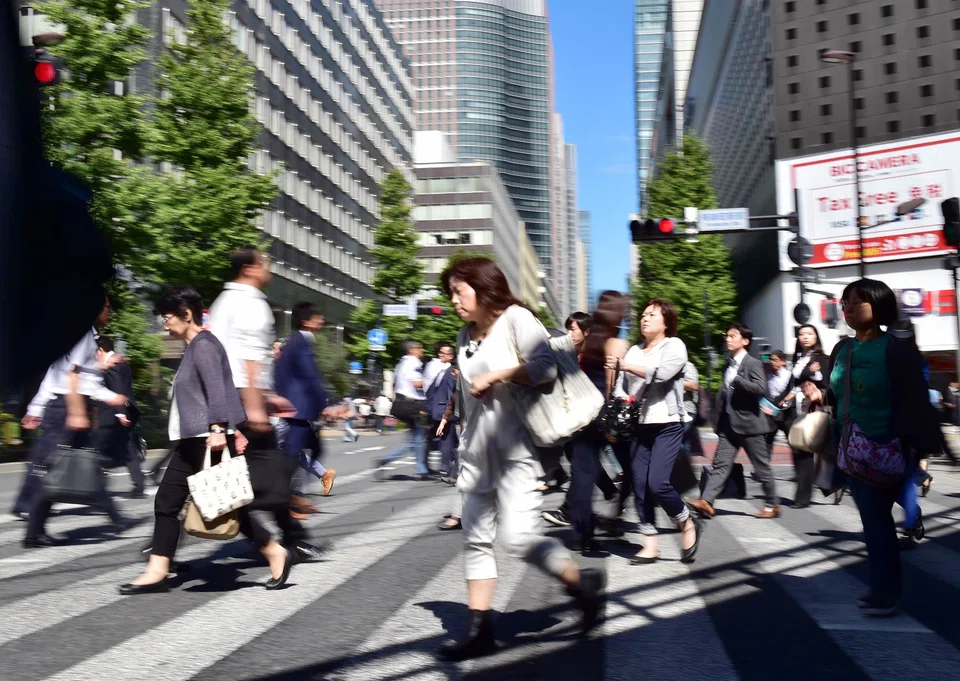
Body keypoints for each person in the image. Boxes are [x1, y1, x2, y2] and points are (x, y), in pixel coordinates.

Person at [436, 257, 604, 661]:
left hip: (516, 451)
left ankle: (581, 585)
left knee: (518, 538)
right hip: (477, 452)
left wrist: (497, 375)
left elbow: (545, 369)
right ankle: (479, 631)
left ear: (483, 287)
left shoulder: (517, 319)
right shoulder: (463, 335)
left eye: (459, 291)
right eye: (451, 293)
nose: (454, 300)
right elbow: (466, 397)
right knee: (476, 539)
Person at [120, 286, 292, 595]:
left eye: (167, 316)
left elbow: (216, 389)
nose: (164, 323)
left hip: (206, 439)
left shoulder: (204, 345)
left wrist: (219, 429)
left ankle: (273, 551)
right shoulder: (196, 346)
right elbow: (225, 389)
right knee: (189, 503)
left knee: (220, 504)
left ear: (186, 314)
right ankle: (158, 570)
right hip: (197, 439)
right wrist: (235, 428)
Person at [820, 279, 940, 616]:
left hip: (888, 445)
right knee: (874, 519)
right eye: (845, 302)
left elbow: (916, 399)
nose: (848, 308)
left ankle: (886, 593)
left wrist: (920, 448)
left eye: (856, 302)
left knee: (875, 519)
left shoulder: (896, 349)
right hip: (852, 448)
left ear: (878, 305)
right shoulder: (842, 349)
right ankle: (883, 589)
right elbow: (836, 393)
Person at [208, 247, 324, 562]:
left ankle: (291, 538)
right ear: (249, 268)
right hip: (244, 400)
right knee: (266, 473)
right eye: (265, 263)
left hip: (227, 396)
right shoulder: (252, 303)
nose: (268, 268)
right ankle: (289, 540)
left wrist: (267, 397)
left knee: (230, 472)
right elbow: (248, 359)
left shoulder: (222, 301)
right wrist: (257, 406)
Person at [21, 295, 132, 547]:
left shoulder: (84, 336)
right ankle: (33, 533)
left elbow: (69, 377)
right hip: (67, 409)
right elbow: (72, 376)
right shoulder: (82, 336)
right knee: (54, 468)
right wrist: (77, 412)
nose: (109, 311)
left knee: (80, 464)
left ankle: (113, 516)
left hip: (67, 407)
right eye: (106, 307)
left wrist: (110, 392)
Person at [616, 299, 702, 564]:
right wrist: (623, 397)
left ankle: (687, 522)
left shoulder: (674, 345)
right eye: (643, 314)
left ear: (666, 322)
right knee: (640, 485)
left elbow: (662, 374)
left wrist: (627, 367)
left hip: (667, 423)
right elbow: (621, 385)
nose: (645, 318)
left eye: (652, 315)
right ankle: (650, 544)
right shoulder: (634, 350)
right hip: (638, 425)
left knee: (658, 483)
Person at [687, 323, 780, 519]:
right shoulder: (728, 364)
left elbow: (760, 389)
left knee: (761, 466)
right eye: (727, 336)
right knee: (721, 465)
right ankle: (706, 501)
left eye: (733, 336)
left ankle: (772, 505)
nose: (728, 339)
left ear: (745, 341)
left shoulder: (752, 363)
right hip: (729, 425)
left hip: (750, 426)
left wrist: (738, 381)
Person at [274, 302, 336, 502]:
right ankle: (286, 496)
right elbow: (311, 377)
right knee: (293, 453)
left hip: (293, 409)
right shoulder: (301, 343)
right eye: (318, 317)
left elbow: (280, 376)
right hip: (299, 410)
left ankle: (291, 494)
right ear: (307, 322)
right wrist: (325, 406)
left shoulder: (294, 342)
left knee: (299, 451)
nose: (321, 321)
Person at [779, 325, 830, 508]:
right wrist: (785, 399)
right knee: (799, 450)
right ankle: (803, 494)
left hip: (813, 408)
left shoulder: (822, 359)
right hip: (797, 409)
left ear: (816, 337)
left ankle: (803, 496)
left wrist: (816, 376)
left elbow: (827, 382)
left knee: (806, 452)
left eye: (810, 334)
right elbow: (795, 384)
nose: (805, 337)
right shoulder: (799, 358)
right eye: (802, 334)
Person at [95, 336, 145, 498]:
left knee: (98, 447)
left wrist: (120, 412)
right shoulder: (120, 362)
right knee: (127, 448)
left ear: (100, 350)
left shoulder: (113, 364)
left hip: (113, 413)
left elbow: (117, 388)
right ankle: (139, 484)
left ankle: (96, 487)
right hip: (122, 411)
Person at [376, 341, 430, 479]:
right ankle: (420, 470)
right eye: (419, 348)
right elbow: (417, 383)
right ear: (412, 350)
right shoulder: (413, 362)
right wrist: (432, 380)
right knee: (418, 439)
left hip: (400, 403)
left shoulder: (401, 364)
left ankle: (387, 460)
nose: (422, 351)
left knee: (416, 439)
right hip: (411, 404)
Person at [425, 342, 458, 477]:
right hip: (438, 409)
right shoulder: (444, 370)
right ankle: (457, 465)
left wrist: (447, 413)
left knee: (446, 440)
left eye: (443, 353)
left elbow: (451, 394)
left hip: (443, 410)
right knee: (450, 441)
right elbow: (433, 391)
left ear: (451, 356)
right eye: (440, 352)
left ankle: (447, 469)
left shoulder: (452, 372)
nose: (440, 355)